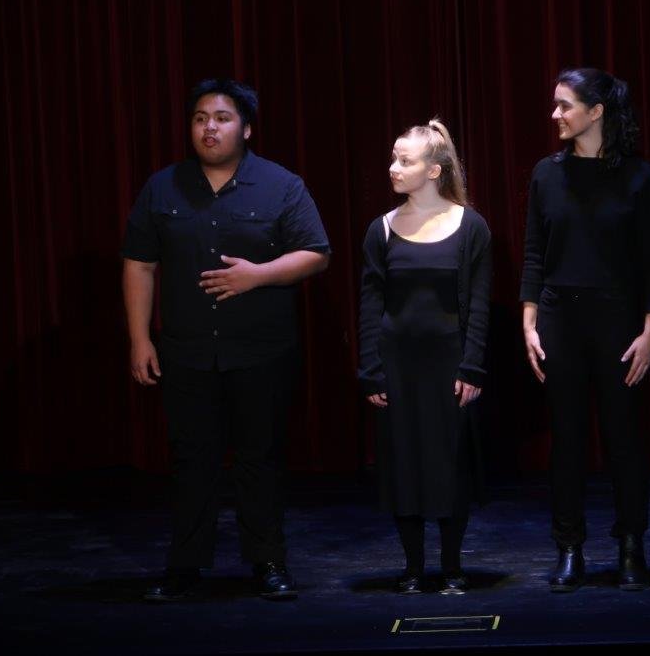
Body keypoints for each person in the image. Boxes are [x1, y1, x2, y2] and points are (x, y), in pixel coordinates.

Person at [121, 78, 331, 601]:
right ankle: (185, 567)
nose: (209, 127)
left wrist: (256, 275)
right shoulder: (163, 187)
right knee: (193, 460)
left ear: (247, 127)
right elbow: (140, 264)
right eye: (199, 118)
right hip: (187, 351)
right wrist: (139, 338)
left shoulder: (281, 184)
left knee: (260, 459)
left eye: (221, 117)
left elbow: (316, 252)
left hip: (262, 349)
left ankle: (268, 564)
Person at [520, 68, 650, 592]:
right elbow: (535, 253)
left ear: (596, 111)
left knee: (625, 439)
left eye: (564, 105)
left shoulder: (637, 176)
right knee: (567, 441)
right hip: (560, 318)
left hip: (618, 321)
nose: (555, 114)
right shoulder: (546, 173)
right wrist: (529, 322)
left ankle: (631, 544)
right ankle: (569, 548)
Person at [357, 119, 491, 595]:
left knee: (448, 465)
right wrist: (371, 370)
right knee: (404, 466)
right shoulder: (384, 229)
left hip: (448, 365)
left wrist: (472, 365)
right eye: (394, 158)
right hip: (398, 367)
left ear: (434, 170)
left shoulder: (469, 226)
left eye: (405, 160)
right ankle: (413, 568)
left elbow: (478, 302)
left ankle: (452, 567)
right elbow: (371, 303)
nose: (394, 168)